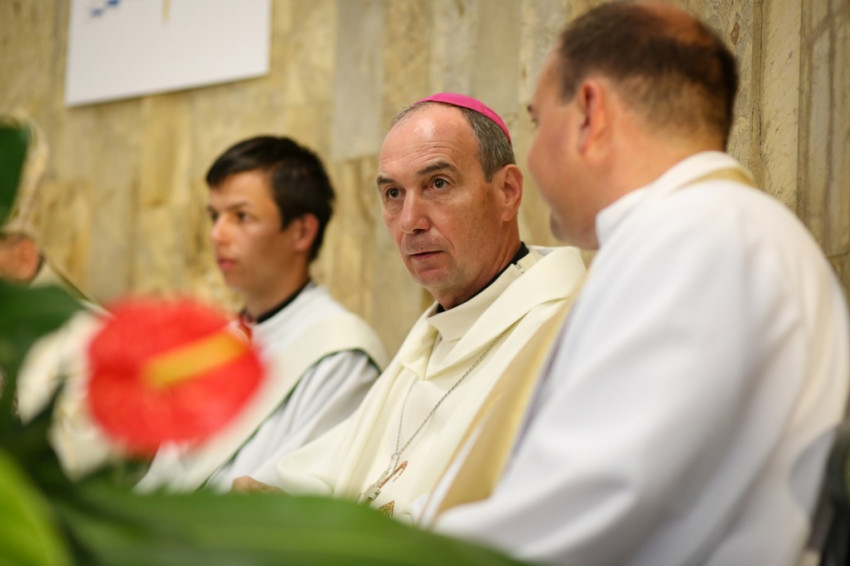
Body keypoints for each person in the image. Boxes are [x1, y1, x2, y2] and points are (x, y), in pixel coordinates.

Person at [425, 2, 850, 566]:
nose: (533, 151)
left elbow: (591, 501)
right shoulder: (711, 232)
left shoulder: (700, 241)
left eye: (537, 120)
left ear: (589, 113)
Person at [233, 93, 587, 522]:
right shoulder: (428, 340)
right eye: (393, 193)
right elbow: (331, 471)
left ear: (507, 192)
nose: (410, 221)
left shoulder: (563, 331)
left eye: (438, 184)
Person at [137, 136, 387, 492]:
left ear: (301, 232)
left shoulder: (341, 357)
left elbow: (293, 495)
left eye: (241, 216)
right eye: (215, 216)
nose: (217, 235)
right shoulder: (217, 343)